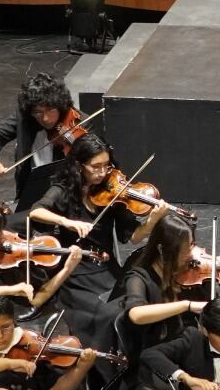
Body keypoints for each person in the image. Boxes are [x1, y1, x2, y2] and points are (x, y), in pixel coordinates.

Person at [28, 133, 157, 363]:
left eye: (107, 166)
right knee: (108, 315)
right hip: (75, 271)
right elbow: (36, 212)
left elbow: (134, 237)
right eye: (95, 167)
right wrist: (67, 221)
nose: (102, 173)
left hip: (107, 268)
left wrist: (153, 220)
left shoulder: (112, 193)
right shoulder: (64, 190)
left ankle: (133, 361)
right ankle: (104, 362)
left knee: (136, 306)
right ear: (79, 165)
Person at [116, 215, 220, 356]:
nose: (191, 255)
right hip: (155, 357)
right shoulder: (139, 278)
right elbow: (136, 314)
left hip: (190, 354)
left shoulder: (192, 278)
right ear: (162, 250)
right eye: (184, 250)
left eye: (192, 245)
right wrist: (186, 305)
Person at [0, 72, 81, 210]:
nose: (46, 118)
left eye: (50, 110)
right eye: (38, 112)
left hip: (64, 194)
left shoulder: (78, 123)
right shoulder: (25, 117)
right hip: (29, 190)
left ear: (60, 105)